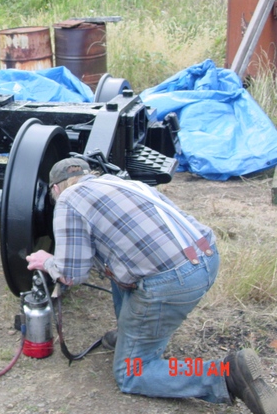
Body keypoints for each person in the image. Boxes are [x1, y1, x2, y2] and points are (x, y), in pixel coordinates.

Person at [26, 157, 277, 414]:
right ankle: (131, 336)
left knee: (132, 373)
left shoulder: (68, 199)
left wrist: (48, 261)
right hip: (206, 257)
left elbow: (71, 273)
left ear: (56, 188)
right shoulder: (123, 183)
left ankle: (226, 374)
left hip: (172, 281)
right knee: (122, 267)